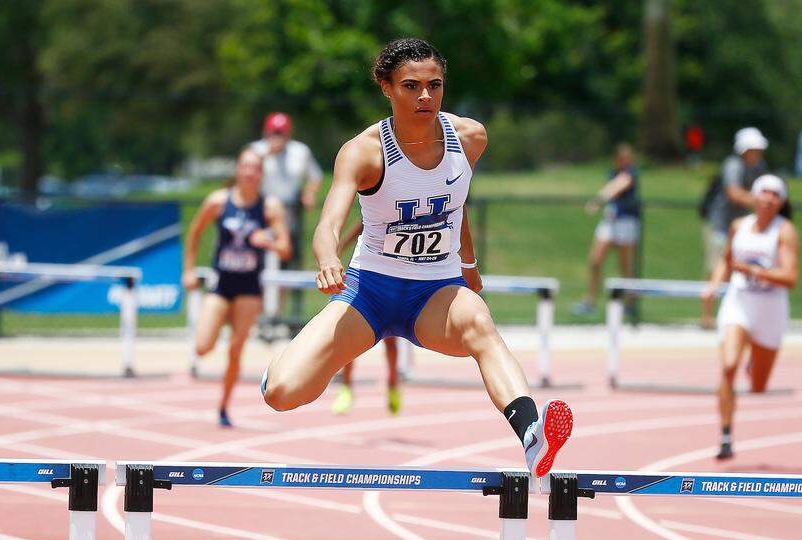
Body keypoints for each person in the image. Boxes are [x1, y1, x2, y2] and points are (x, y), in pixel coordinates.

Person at [260, 37, 573, 478]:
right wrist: (328, 259)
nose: (425, 96)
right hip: (370, 291)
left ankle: (531, 437)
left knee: (481, 325)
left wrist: (468, 266)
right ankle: (277, 369)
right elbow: (328, 222)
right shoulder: (364, 151)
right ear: (386, 88)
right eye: (411, 86)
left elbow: (456, 203)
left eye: (434, 85)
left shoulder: (469, 138)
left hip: (435, 291)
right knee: (283, 394)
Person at [183, 149, 291, 426]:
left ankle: (223, 406)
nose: (249, 173)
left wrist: (268, 241)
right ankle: (218, 323)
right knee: (203, 346)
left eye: (255, 168)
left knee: (235, 350)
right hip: (222, 283)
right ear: (238, 170)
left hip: (249, 288)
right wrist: (189, 270)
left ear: (261, 174)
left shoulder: (269, 207)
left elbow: (285, 248)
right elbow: (194, 231)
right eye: (245, 167)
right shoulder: (219, 201)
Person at [702, 175, 799, 460]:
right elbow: (727, 260)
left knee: (758, 386)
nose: (768, 198)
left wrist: (754, 270)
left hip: (770, 309)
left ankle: (754, 363)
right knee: (728, 366)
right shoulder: (739, 226)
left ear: (781, 202)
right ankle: (726, 436)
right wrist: (714, 286)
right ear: (754, 197)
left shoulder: (785, 231)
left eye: (775, 194)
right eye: (764, 192)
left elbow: (790, 277)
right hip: (740, 303)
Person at [330, 219, 402, 415]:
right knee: (351, 336)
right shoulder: (378, 209)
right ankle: (346, 388)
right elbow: (361, 224)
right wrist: (340, 247)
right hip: (369, 275)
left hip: (396, 275)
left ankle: (393, 383)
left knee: (391, 339)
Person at [701, 127, 769, 328]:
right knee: (715, 268)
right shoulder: (733, 165)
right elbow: (734, 193)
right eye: (753, 149)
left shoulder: (759, 167)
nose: (757, 153)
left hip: (742, 227)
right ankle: (707, 315)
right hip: (720, 225)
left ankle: (736, 315)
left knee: (739, 270)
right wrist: (763, 203)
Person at [573, 143, 641, 316]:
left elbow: (618, 186)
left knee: (625, 265)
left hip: (626, 222)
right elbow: (611, 186)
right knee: (595, 261)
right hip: (610, 221)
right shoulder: (612, 172)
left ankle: (630, 302)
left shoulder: (631, 173)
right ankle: (590, 301)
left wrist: (598, 199)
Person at [248, 112, 323, 263]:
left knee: (290, 252)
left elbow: (315, 176)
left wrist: (309, 193)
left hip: (290, 208)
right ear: (266, 132)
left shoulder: (300, 151)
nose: (277, 137)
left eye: (281, 133)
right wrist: (266, 155)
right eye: (274, 132)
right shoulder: (255, 150)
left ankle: (291, 274)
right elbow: (245, 176)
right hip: (261, 208)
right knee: (259, 250)